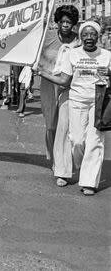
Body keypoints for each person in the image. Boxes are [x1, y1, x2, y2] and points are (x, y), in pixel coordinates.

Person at [37, 20, 109, 195]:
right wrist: (41, 73)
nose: (89, 38)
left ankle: (89, 182)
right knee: (77, 140)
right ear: (81, 37)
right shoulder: (73, 54)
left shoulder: (107, 55)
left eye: (93, 35)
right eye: (85, 35)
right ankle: (79, 165)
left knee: (95, 141)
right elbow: (63, 80)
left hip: (99, 101)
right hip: (76, 100)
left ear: (98, 37)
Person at [36, 5, 79, 186]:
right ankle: (54, 156)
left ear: (74, 24)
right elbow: (35, 53)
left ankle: (60, 163)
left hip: (69, 86)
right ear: (58, 22)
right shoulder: (49, 38)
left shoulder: (79, 40)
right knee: (51, 125)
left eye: (69, 22)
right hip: (48, 83)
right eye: (62, 21)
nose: (65, 25)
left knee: (66, 127)